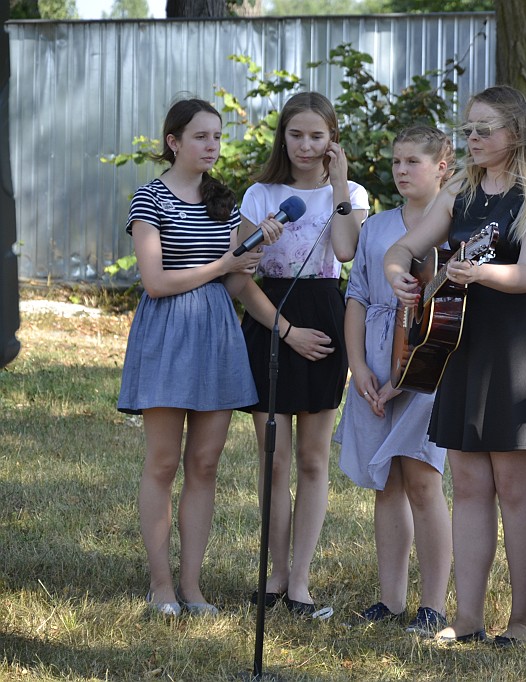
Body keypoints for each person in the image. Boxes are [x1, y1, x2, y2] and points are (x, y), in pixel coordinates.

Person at [383, 85, 526, 646]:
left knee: (515, 485)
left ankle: (521, 622)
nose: (472, 139)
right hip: (462, 344)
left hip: (519, 348)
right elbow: (404, 248)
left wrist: (476, 273)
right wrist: (398, 272)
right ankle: (467, 619)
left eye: (484, 129)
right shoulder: (460, 189)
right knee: (466, 482)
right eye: (468, 129)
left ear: (516, 131)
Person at [117, 98, 280, 617]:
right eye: (201, 137)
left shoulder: (223, 200)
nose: (212, 146)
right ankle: (161, 585)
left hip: (216, 334)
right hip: (166, 333)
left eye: (217, 136)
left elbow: (231, 282)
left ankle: (192, 586)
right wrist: (224, 264)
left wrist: (249, 258)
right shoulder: (149, 198)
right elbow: (155, 282)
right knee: (164, 462)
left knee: (205, 464)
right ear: (174, 142)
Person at [237, 91, 369, 619]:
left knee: (313, 459)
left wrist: (338, 185)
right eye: (296, 135)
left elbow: (346, 251)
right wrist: (286, 331)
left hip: (325, 319)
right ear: (283, 137)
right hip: (271, 318)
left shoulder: (351, 193)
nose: (306, 145)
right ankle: (274, 574)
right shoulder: (260, 194)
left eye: (317, 136)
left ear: (332, 140)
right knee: (274, 459)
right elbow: (239, 280)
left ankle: (300, 580)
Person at [334, 126, 454, 635]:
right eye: (396, 162)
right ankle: (390, 599)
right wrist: (359, 366)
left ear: (442, 167)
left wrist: (406, 376)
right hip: (377, 364)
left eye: (413, 162)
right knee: (386, 483)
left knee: (422, 479)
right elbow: (358, 297)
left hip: (428, 366)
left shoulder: (453, 229)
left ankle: (433, 605)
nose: (401, 170)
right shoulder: (379, 226)